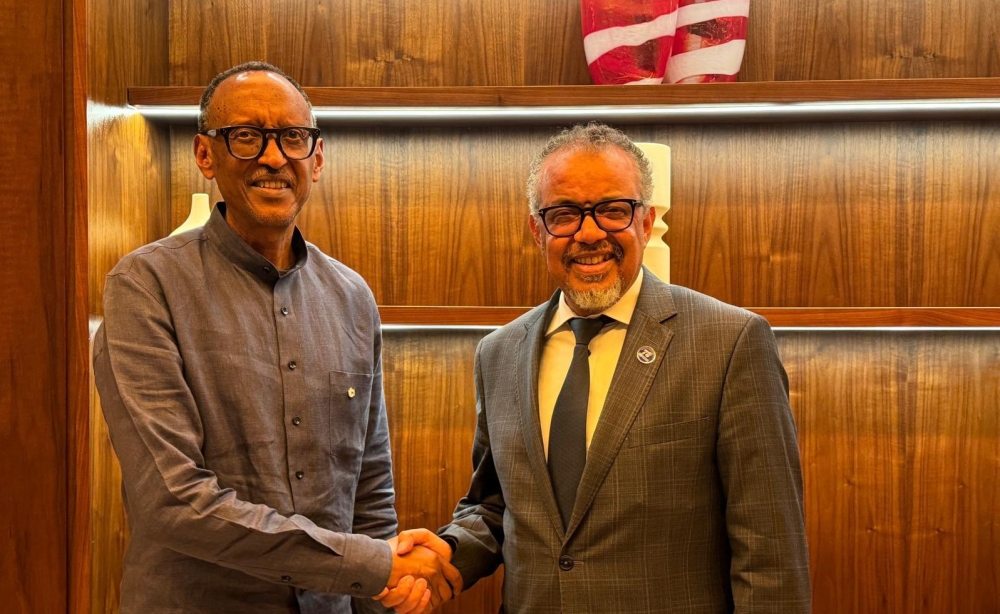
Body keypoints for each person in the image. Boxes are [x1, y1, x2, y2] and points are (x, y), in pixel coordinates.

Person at [385, 123, 811, 613]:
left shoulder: (730, 342)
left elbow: (772, 558)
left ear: (646, 222)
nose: (590, 233)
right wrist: (449, 554)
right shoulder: (498, 353)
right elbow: (497, 504)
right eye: (564, 214)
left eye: (612, 210)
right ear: (537, 230)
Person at [93, 61, 459, 614]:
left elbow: (369, 492)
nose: (272, 156)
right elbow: (171, 501)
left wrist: (387, 586)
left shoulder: (352, 297)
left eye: (292, 137)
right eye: (246, 136)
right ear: (204, 154)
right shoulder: (146, 285)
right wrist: (375, 565)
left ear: (317, 157)